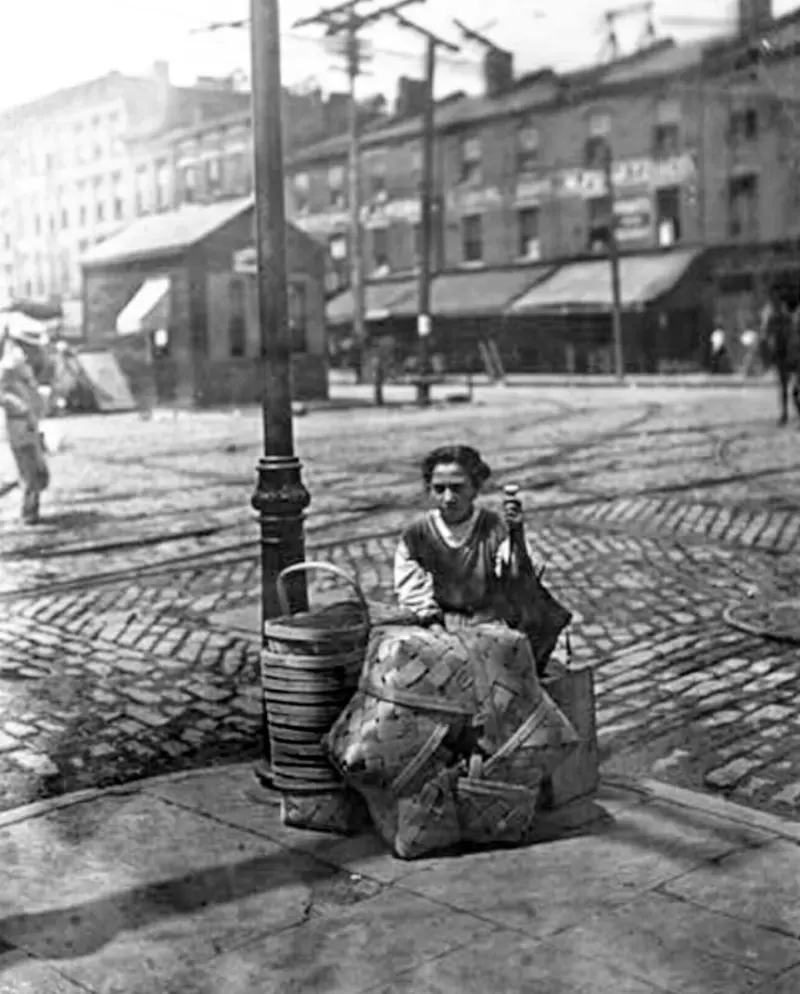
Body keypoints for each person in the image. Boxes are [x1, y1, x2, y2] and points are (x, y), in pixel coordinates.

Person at [394, 444, 571, 673]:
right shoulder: (416, 536)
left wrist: (516, 533)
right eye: (439, 489)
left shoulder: (494, 529)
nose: (448, 498)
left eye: (457, 488)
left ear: (475, 488)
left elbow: (521, 580)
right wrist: (436, 629)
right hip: (438, 628)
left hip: (493, 628)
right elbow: (413, 594)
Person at [0, 331, 49, 524]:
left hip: (27, 423)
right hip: (20, 424)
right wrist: (20, 407)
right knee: (30, 471)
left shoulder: (20, 366)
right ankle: (30, 512)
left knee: (33, 471)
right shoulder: (9, 367)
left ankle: (29, 508)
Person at [761, 290, 800, 425]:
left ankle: (787, 414)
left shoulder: (789, 319)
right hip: (782, 354)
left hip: (792, 354)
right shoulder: (775, 318)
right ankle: (784, 414)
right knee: (785, 387)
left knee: (793, 389)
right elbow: (766, 335)